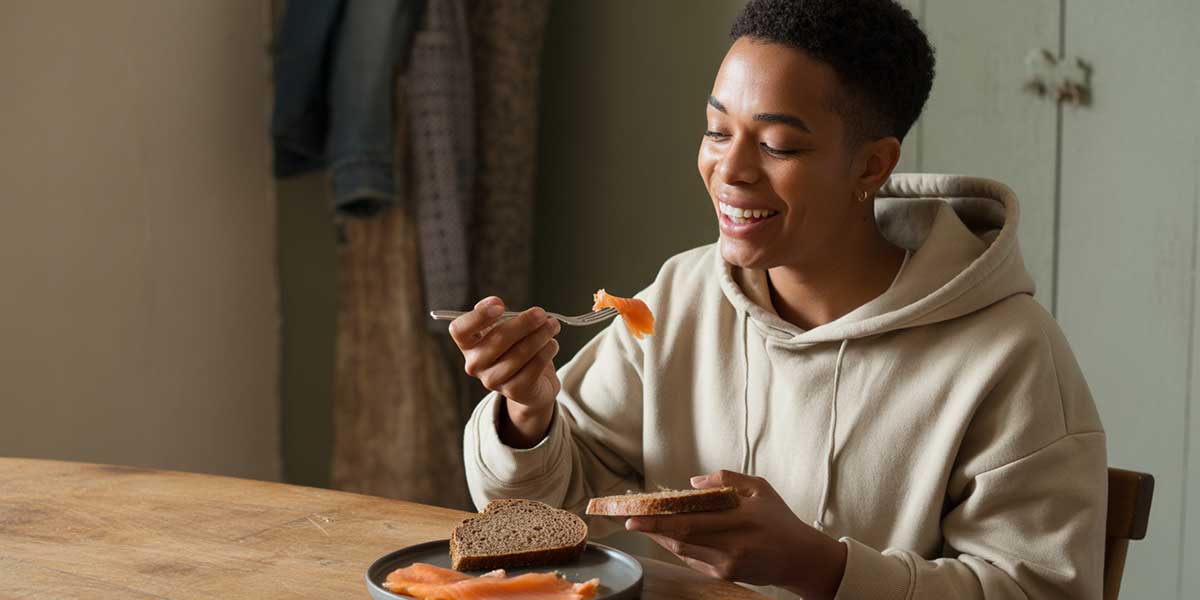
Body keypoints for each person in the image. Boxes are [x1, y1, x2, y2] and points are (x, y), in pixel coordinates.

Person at [448, 0, 1106, 598]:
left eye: (777, 144)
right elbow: (547, 514)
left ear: (872, 167)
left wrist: (823, 568)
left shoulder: (1010, 352)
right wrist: (528, 416)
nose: (730, 170)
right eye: (715, 131)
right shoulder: (683, 293)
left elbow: (1038, 590)